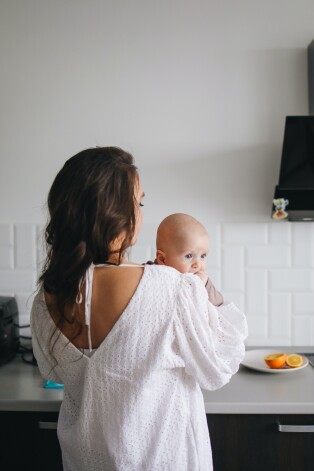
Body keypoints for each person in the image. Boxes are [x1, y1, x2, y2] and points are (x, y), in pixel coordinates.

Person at [30, 147, 248, 471]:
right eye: (139, 202)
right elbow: (220, 365)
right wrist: (204, 286)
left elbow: (51, 372)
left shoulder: (46, 297)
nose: (142, 214)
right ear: (116, 214)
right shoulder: (171, 287)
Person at [153, 213, 223, 306]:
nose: (197, 264)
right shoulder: (151, 275)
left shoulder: (201, 281)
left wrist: (204, 285)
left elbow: (219, 303)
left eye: (202, 256)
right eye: (189, 256)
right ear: (162, 259)